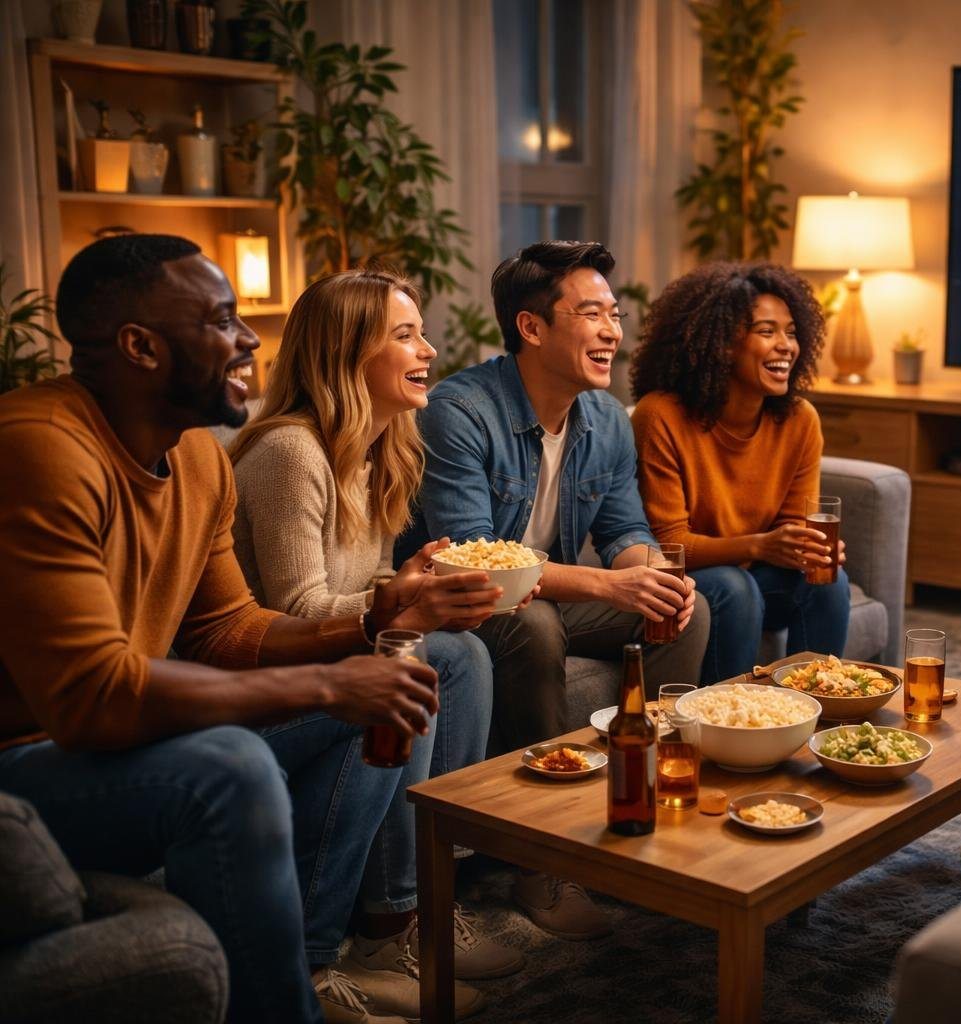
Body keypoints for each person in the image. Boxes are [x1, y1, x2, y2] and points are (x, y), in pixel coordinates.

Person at [0, 234, 479, 1024]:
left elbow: (229, 630)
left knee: (404, 670)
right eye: (223, 321)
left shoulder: (197, 458)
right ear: (141, 346)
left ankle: (355, 941)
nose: (252, 339)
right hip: (29, 763)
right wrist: (330, 680)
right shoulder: (41, 450)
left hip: (107, 744)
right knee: (227, 765)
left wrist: (376, 619)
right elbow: (90, 696)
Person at [229, 267, 524, 1015]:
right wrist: (401, 602)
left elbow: (361, 579)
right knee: (413, 663)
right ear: (344, 354)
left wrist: (412, 579)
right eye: (404, 335)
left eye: (420, 331)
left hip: (323, 665)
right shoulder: (290, 453)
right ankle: (316, 962)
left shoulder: (379, 449)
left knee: (461, 653)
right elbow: (293, 612)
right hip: (258, 694)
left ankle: (400, 920)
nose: (428, 349)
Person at [401, 240, 707, 940]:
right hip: (467, 601)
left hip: (550, 590)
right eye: (591, 314)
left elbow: (626, 526)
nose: (612, 331)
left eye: (614, 313)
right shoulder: (460, 409)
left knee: (688, 614)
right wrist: (613, 582)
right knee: (535, 627)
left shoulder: (604, 418)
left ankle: (644, 813)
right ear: (532, 328)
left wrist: (656, 576)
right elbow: (475, 563)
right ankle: (541, 862)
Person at [628, 262, 849, 682]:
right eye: (766, 331)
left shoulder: (800, 420)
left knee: (829, 582)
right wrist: (762, 546)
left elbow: (789, 529)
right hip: (689, 583)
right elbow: (668, 544)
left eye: (791, 332)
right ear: (721, 344)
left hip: (754, 573)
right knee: (734, 587)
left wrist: (804, 549)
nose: (786, 345)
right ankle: (735, 727)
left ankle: (819, 713)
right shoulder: (660, 416)